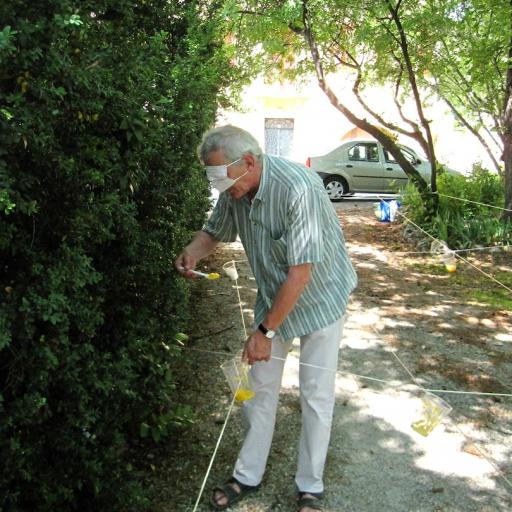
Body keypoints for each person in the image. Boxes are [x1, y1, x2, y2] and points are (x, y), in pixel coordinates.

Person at [175, 125, 357, 512]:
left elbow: (301, 274)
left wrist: (264, 331)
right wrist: (193, 252)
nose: (221, 189)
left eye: (222, 178)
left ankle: (310, 486)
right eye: (214, 180)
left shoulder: (299, 188)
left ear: (249, 162)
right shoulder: (234, 186)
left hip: (320, 296)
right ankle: (247, 474)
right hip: (275, 294)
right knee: (258, 387)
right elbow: (214, 231)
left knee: (316, 392)